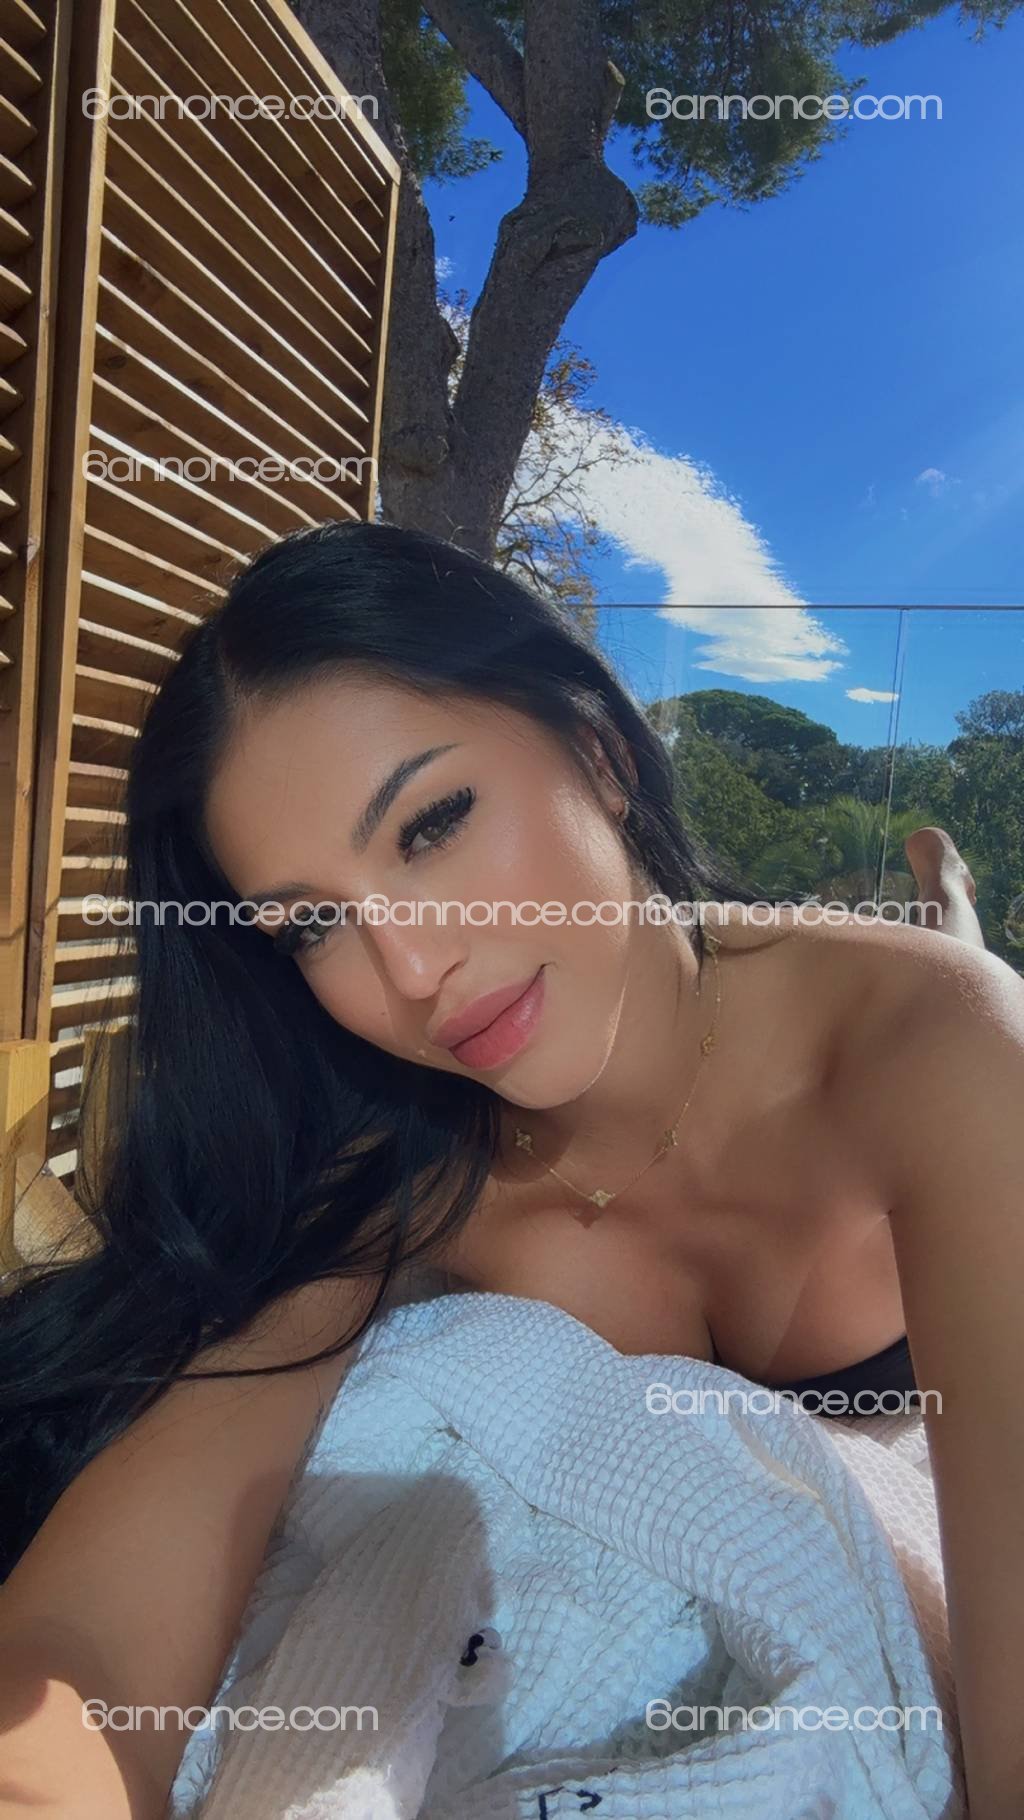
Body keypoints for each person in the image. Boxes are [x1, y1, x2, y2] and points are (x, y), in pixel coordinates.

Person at [0, 522, 1022, 1820]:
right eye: (313, 924)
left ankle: (950, 898)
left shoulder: (934, 1048)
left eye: (430, 824)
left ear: (599, 753)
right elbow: (91, 1643)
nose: (413, 968)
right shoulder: (392, 1152)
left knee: (964, 958)